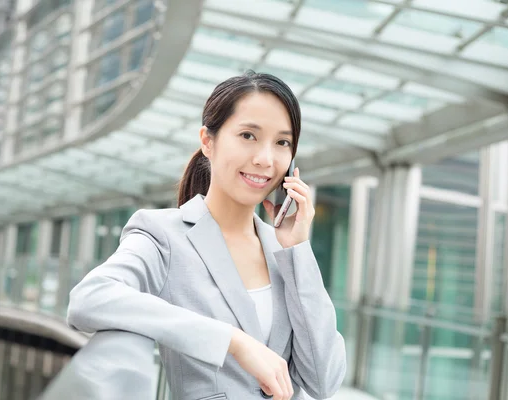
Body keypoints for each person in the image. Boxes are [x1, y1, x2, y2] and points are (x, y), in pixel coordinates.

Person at [67, 70, 346, 400]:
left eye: (282, 143)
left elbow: (324, 381)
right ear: (207, 141)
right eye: (248, 135)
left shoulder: (284, 252)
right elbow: (90, 299)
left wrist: (298, 249)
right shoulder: (164, 234)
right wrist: (232, 341)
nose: (265, 159)